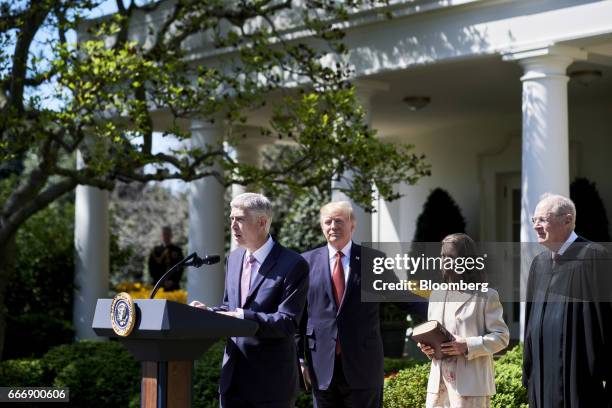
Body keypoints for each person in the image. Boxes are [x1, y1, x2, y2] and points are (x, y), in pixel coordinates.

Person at [297, 201, 424, 408]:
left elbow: (401, 296)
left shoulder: (372, 261)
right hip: (321, 367)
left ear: (352, 224)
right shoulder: (305, 263)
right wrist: (298, 359)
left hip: (363, 366)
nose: (333, 226)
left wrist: (441, 309)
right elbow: (298, 316)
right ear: (321, 226)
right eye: (327, 222)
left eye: (339, 221)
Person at [190, 193, 308, 408]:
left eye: (240, 219)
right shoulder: (234, 259)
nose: (233, 225)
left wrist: (242, 317)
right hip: (233, 379)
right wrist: (210, 312)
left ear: (262, 222)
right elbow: (230, 306)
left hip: (271, 384)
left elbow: (287, 322)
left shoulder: (293, 264)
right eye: (231, 218)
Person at [523, 193, 612, 408]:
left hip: (579, 377)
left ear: (567, 220)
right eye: (534, 220)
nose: (536, 226)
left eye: (543, 219)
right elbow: (529, 323)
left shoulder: (593, 257)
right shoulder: (539, 263)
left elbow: (606, 320)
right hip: (542, 378)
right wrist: (529, 373)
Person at [418, 233, 509, 408]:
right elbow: (433, 334)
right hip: (439, 386)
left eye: (450, 257)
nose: (444, 261)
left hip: (471, 385)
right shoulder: (436, 294)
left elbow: (502, 337)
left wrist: (467, 345)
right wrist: (427, 347)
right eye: (442, 256)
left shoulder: (487, 295)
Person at [148, 226, 184, 290]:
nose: (166, 236)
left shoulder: (177, 250)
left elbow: (181, 267)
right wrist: (161, 281)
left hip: (173, 286)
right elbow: (152, 268)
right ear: (161, 235)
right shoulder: (155, 251)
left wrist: (173, 281)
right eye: (164, 234)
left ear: (171, 235)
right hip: (158, 286)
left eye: (168, 234)